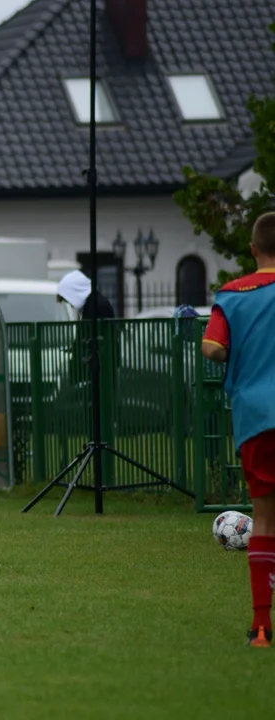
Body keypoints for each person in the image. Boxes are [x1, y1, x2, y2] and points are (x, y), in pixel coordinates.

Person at [201, 211, 275, 648]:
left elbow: (212, 346)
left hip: (256, 415)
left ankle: (261, 628)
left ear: (252, 249)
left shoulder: (233, 294)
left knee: (264, 515)